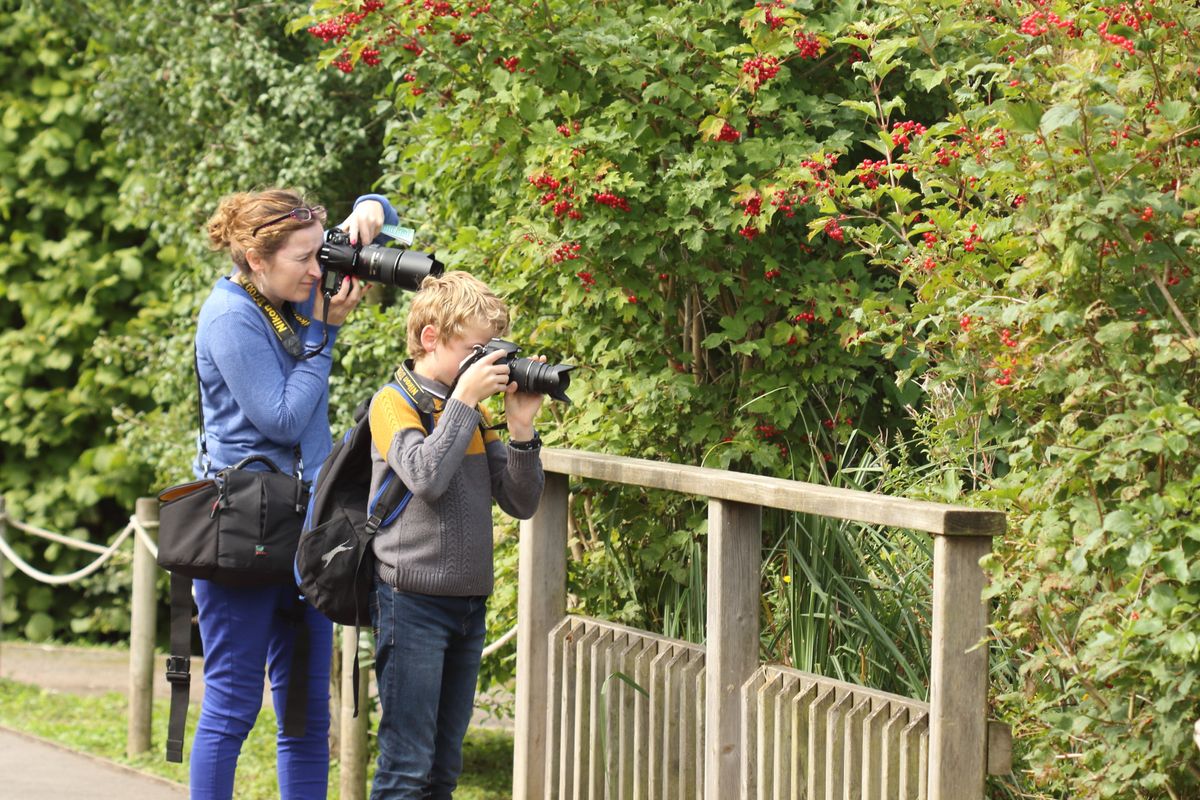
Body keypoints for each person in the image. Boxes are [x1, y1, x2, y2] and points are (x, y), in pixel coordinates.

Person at [193, 187, 399, 799]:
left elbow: (381, 231)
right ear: (258, 260)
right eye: (304, 261)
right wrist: (325, 334)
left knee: (307, 713)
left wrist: (372, 209)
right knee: (233, 706)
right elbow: (281, 419)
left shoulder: (294, 277)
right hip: (245, 529)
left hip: (309, 525)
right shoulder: (231, 315)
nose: (318, 271)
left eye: (320, 256)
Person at [367, 271, 546, 798]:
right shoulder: (392, 403)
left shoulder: (478, 413)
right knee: (407, 767)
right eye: (475, 349)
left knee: (444, 769)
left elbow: (520, 501)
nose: (486, 361)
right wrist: (464, 404)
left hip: (468, 603)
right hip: (411, 601)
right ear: (431, 338)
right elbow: (425, 477)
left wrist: (520, 430)